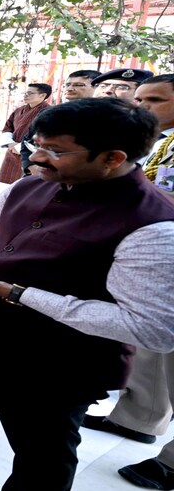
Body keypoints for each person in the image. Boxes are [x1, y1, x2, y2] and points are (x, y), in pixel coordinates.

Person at [0, 98, 174, 490]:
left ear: (112, 157)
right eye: (36, 145)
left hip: (57, 361)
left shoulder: (153, 224)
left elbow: (150, 328)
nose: (36, 159)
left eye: (55, 151)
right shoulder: (30, 185)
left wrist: (16, 293)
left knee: (42, 451)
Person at [80, 75, 174, 490]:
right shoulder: (157, 142)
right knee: (153, 351)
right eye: (138, 99)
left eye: (155, 99)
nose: (142, 107)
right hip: (150, 252)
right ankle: (140, 418)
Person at [0, 82, 51, 184]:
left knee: (27, 186)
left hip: (31, 153)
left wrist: (20, 147)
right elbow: (8, 127)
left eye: (30, 93)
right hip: (12, 151)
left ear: (42, 95)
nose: (26, 95)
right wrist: (10, 143)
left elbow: (45, 134)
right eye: (25, 92)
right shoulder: (19, 110)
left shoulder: (49, 112)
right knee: (9, 186)